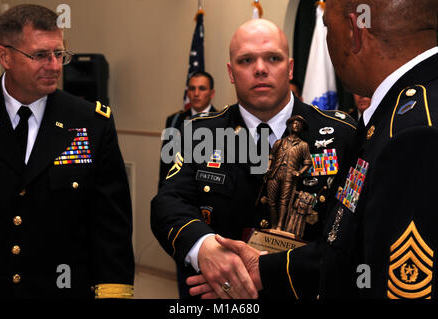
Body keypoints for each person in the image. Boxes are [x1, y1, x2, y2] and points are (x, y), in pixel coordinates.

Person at [189, 0, 438, 300]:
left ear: (355, 32)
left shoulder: (413, 133)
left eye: (327, 28)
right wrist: (265, 269)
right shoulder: (398, 114)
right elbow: (352, 250)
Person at [151, 18, 356, 299]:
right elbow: (167, 203)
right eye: (246, 60)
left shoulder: (340, 135)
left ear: (290, 68)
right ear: (231, 72)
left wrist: (272, 269)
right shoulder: (199, 133)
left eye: (273, 58)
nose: (260, 69)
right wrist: (203, 247)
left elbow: (352, 232)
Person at [0, 4, 134, 298]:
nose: (55, 66)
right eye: (40, 55)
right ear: (4, 56)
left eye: (59, 54)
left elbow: (110, 226)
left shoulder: (90, 123)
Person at [159, 71, 217, 185]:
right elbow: (166, 163)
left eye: (202, 88)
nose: (196, 93)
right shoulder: (174, 120)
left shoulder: (222, 120)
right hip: (179, 188)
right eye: (192, 88)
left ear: (212, 93)